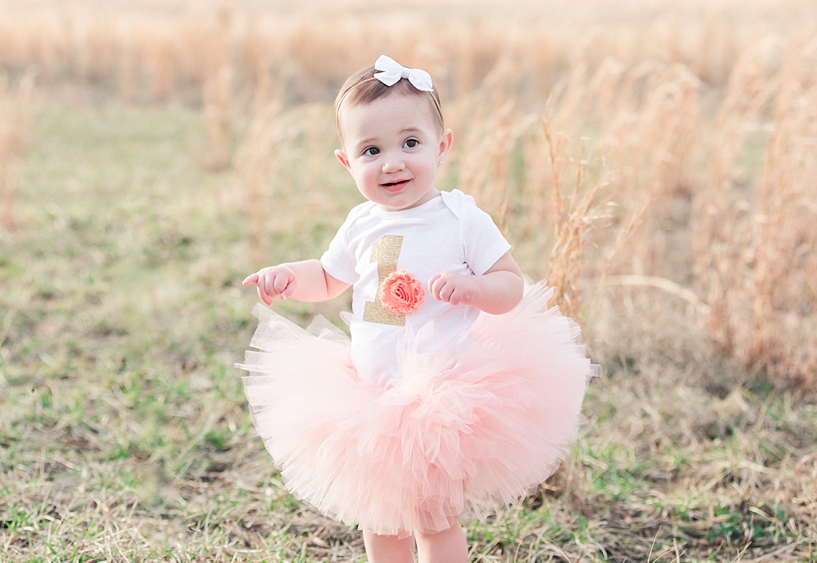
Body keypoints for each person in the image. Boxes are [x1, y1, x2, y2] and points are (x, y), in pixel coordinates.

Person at [241, 55, 598, 563]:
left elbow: (511, 286)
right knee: (382, 519)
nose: (392, 162)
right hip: (369, 399)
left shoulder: (460, 219)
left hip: (441, 401)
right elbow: (327, 277)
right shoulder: (361, 223)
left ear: (442, 145)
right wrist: (289, 277)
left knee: (432, 518)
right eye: (371, 150)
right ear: (347, 162)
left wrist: (473, 289)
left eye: (411, 143)